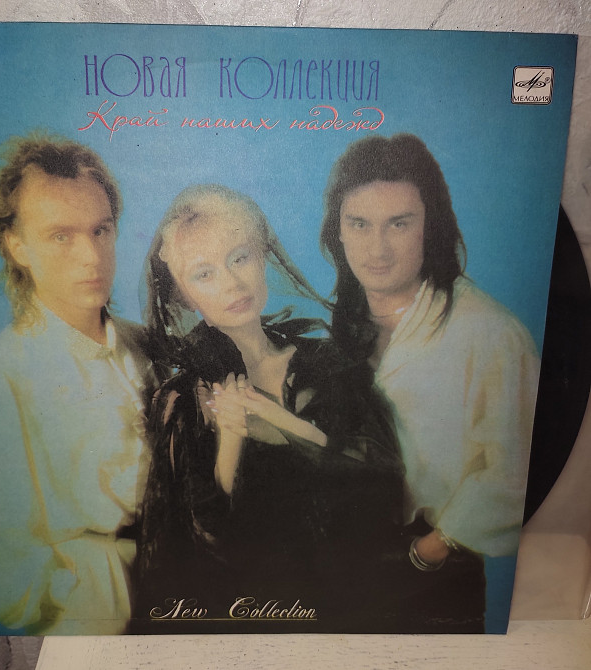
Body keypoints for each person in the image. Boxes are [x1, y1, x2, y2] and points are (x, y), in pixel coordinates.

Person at [130, 184, 406, 633]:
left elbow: (383, 476)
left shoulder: (327, 363)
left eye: (239, 258)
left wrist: (279, 418)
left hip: (352, 605)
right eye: (204, 274)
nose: (232, 283)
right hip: (250, 614)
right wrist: (231, 439)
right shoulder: (182, 402)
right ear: (183, 295)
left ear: (261, 256)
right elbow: (200, 540)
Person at [320, 133, 541, 632]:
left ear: (430, 226)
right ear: (338, 231)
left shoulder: (491, 332)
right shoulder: (343, 324)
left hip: (433, 573)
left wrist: (428, 552)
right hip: (346, 566)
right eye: (359, 224)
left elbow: (517, 471)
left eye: (399, 224)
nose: (377, 248)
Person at [0, 133, 159, 634]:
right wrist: (89, 589)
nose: (91, 256)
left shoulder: (152, 347)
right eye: (61, 236)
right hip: (96, 628)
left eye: (101, 230)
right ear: (16, 246)